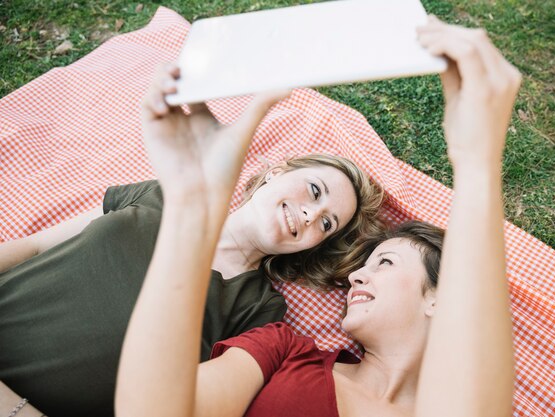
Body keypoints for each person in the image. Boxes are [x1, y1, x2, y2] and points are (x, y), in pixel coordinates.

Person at [114, 15, 521, 417]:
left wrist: (478, 162)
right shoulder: (282, 348)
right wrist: (192, 208)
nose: (356, 278)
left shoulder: (450, 403)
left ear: (442, 296)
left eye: (385, 263)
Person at [0, 78, 384, 416]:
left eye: (327, 223)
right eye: (315, 191)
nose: (310, 213)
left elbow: (176, 399)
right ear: (276, 172)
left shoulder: (259, 310)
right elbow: (34, 245)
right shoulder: (163, 192)